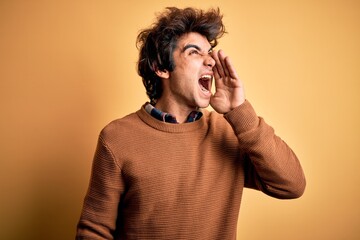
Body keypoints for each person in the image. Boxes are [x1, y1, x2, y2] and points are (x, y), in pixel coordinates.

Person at [76, 7, 306, 240]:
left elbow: (292, 185)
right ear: (161, 68)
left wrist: (239, 110)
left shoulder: (229, 133)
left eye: (210, 53)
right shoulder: (117, 138)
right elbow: (94, 231)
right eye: (194, 52)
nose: (211, 62)